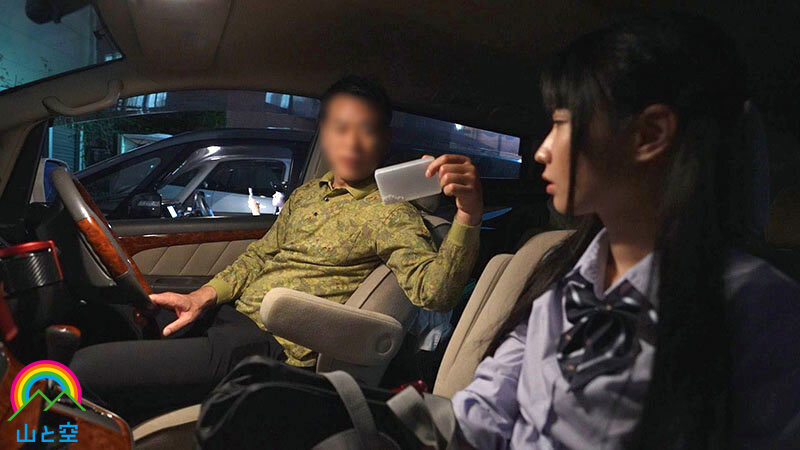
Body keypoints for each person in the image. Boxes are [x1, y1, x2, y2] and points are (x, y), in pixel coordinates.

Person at [452, 15, 800, 449]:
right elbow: (488, 402)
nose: (541, 151)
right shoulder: (562, 276)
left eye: (561, 123)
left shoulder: (759, 306)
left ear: (649, 134)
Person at [70, 75, 483, 423]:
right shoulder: (308, 194)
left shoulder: (391, 214)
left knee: (84, 370)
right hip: (227, 315)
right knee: (103, 318)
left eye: (367, 130)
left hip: (269, 345)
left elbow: (435, 293)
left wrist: (468, 214)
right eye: (341, 128)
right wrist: (202, 296)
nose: (353, 142)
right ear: (324, 132)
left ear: (384, 139)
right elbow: (259, 256)